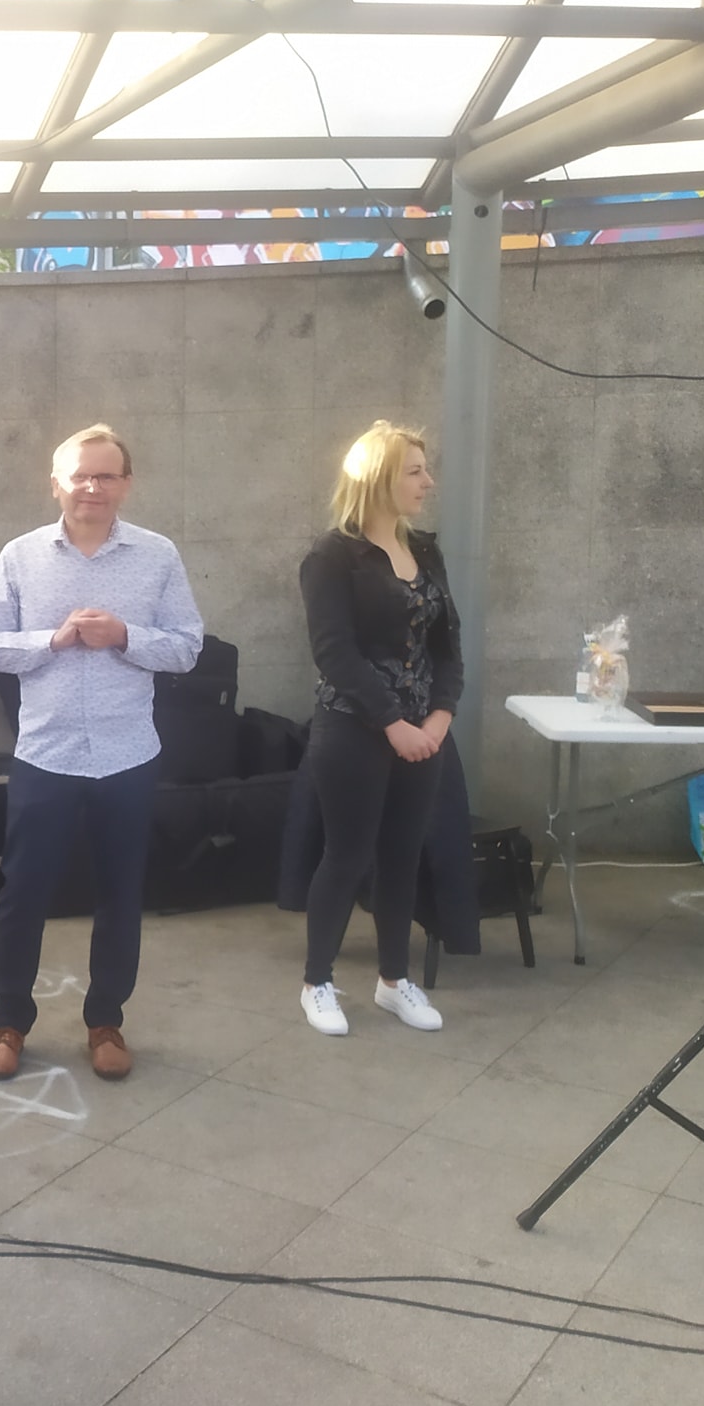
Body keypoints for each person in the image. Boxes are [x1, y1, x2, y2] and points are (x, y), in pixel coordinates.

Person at [0, 424, 203, 1083]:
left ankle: (106, 1021)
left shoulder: (157, 556)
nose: (91, 487)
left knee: (121, 894)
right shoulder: (21, 556)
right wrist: (53, 640)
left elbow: (187, 646)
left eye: (105, 476)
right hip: (45, 753)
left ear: (126, 485)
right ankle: (8, 1022)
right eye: (80, 475)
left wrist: (125, 635)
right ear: (56, 484)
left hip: (127, 755)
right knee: (23, 893)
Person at [297, 420, 463, 1036]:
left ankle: (394, 981)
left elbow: (448, 648)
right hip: (353, 731)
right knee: (346, 857)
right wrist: (393, 722)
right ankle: (317, 983)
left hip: (425, 734)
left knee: (402, 855)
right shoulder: (332, 555)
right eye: (415, 471)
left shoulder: (427, 552)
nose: (428, 481)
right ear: (379, 477)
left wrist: (439, 718)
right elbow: (334, 653)